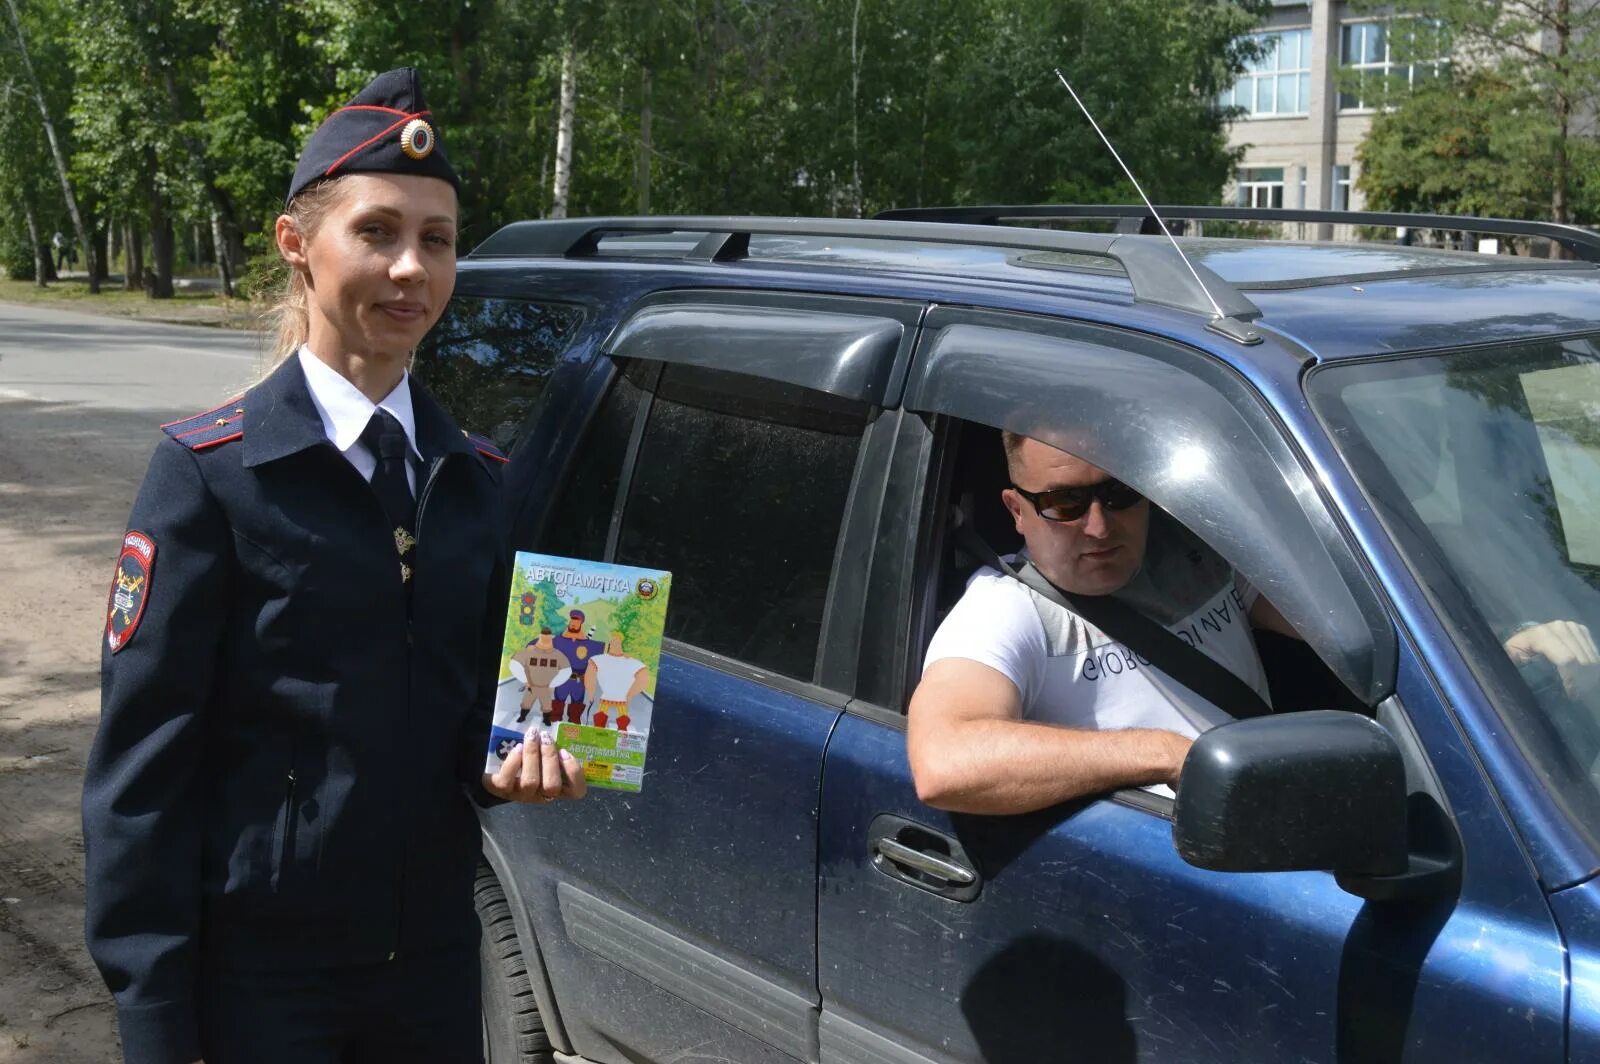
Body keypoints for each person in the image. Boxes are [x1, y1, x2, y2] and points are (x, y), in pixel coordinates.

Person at [82, 68, 583, 1064]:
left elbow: (478, 714)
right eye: (378, 231)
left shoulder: (477, 479)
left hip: (435, 973)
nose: (411, 267)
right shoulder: (209, 478)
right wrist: (153, 1019)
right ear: (297, 246)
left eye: (435, 240)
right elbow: (140, 783)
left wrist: (515, 765)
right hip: (261, 989)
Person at [907, 431, 1598, 816]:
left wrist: (1499, 646)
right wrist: (1170, 755)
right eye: (1063, 503)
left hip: (1276, 831)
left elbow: (1358, 631)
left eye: (1119, 495)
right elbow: (944, 762)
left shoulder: (1195, 562)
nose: (1098, 526)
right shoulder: (1006, 611)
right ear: (1017, 508)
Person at [585, 631, 650, 731]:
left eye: (617, 642)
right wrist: (590, 692)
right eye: (613, 642)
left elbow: (643, 674)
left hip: (622, 696)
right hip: (607, 695)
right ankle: (598, 730)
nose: (614, 645)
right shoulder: (600, 659)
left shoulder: (629, 661)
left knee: (622, 716)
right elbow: (590, 676)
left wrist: (631, 694)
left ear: (620, 644)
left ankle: (622, 732)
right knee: (601, 715)